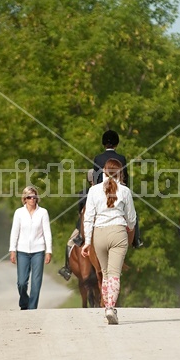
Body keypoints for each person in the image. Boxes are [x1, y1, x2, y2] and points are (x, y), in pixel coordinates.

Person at [81, 158, 136, 324]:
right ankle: (110, 307)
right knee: (114, 274)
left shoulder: (93, 191)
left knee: (104, 274)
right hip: (118, 232)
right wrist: (130, 228)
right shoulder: (125, 191)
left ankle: (107, 306)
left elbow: (88, 218)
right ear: (120, 173)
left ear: (103, 172)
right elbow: (132, 218)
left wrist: (87, 242)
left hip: (99, 234)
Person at [93, 129, 143, 249]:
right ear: (116, 143)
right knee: (134, 215)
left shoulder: (97, 158)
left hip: (99, 193)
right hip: (118, 192)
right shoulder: (121, 158)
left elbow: (95, 180)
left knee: (84, 214)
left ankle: (80, 237)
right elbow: (124, 179)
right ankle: (136, 239)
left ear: (103, 143)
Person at [9, 186, 53, 310]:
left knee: (36, 282)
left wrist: (48, 251)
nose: (32, 199)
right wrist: (12, 250)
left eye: (34, 197)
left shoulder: (43, 212)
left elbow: (47, 232)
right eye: (29, 197)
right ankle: (24, 303)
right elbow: (14, 232)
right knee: (21, 282)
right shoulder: (19, 213)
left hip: (38, 251)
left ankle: (32, 308)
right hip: (22, 251)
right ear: (25, 199)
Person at [58, 169, 95, 281]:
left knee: (70, 243)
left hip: (83, 227)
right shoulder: (104, 192)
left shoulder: (83, 193)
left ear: (89, 180)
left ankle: (67, 269)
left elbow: (80, 212)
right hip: (100, 227)